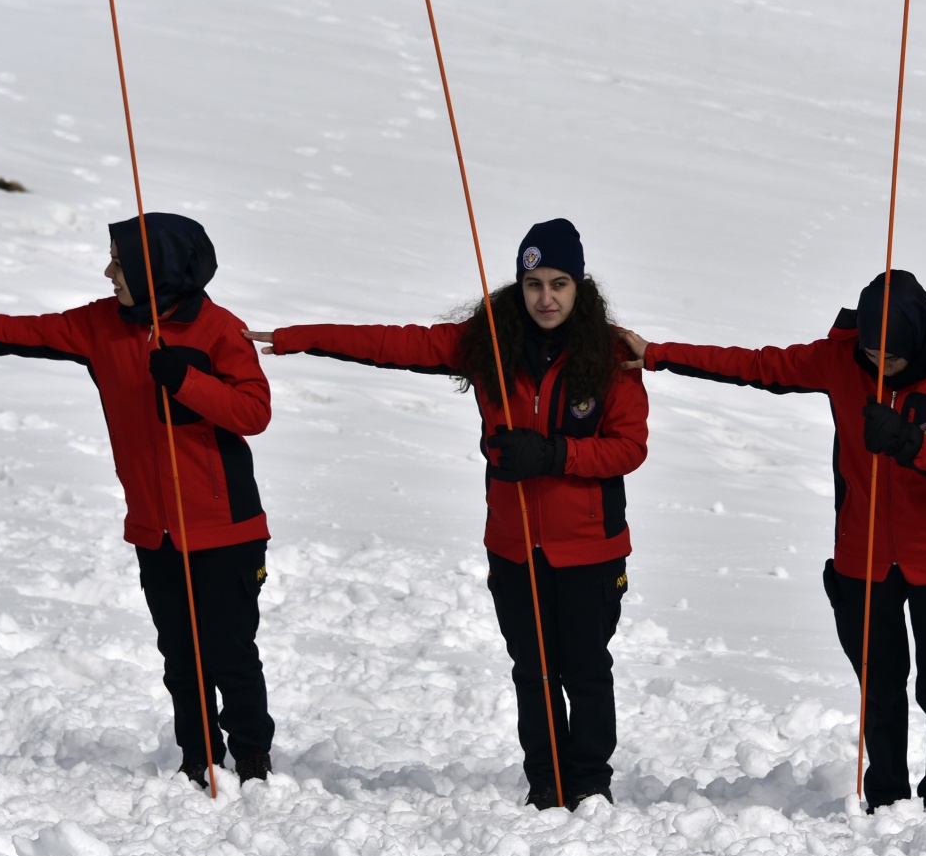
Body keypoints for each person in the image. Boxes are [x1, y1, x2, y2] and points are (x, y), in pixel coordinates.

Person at [245, 218, 647, 810]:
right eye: (534, 284)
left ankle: (590, 784)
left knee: (585, 670)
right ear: (519, 285)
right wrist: (299, 336)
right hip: (514, 546)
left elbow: (628, 447)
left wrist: (554, 453)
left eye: (559, 283)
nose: (546, 298)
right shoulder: (489, 343)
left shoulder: (611, 356)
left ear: (580, 286)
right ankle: (546, 783)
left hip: (590, 547)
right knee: (533, 670)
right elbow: (391, 344)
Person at [0, 214, 276, 786]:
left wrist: (186, 381)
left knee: (230, 653)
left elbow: (253, 413)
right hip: (155, 530)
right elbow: (18, 332)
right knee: (181, 659)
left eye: (121, 262)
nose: (108, 271)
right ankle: (199, 756)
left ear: (154, 269)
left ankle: (255, 759)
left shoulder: (219, 330)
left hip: (226, 529)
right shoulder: (100, 327)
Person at [620, 270, 926, 817]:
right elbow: (755, 365)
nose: (877, 365)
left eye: (890, 358)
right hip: (863, 558)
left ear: (916, 343)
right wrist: (658, 353)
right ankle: (887, 798)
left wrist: (908, 441)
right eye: (870, 353)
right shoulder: (842, 358)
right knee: (881, 687)